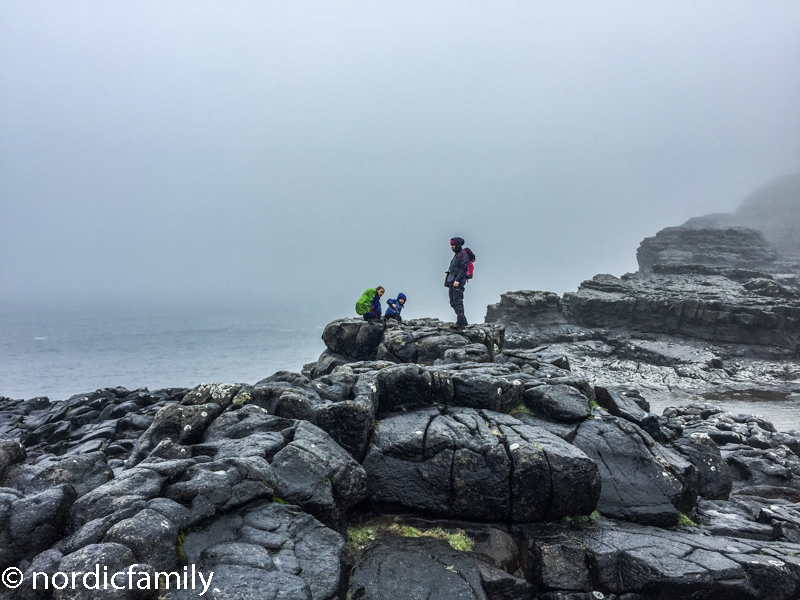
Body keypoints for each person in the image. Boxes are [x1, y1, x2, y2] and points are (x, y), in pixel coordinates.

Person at [444, 237, 470, 328]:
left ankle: (460, 322)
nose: (452, 247)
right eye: (451, 245)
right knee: (453, 302)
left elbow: (463, 268)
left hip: (457, 282)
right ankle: (463, 321)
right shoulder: (457, 254)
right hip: (452, 282)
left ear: (458, 245)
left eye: (453, 245)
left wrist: (457, 280)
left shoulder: (463, 255)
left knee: (458, 301)